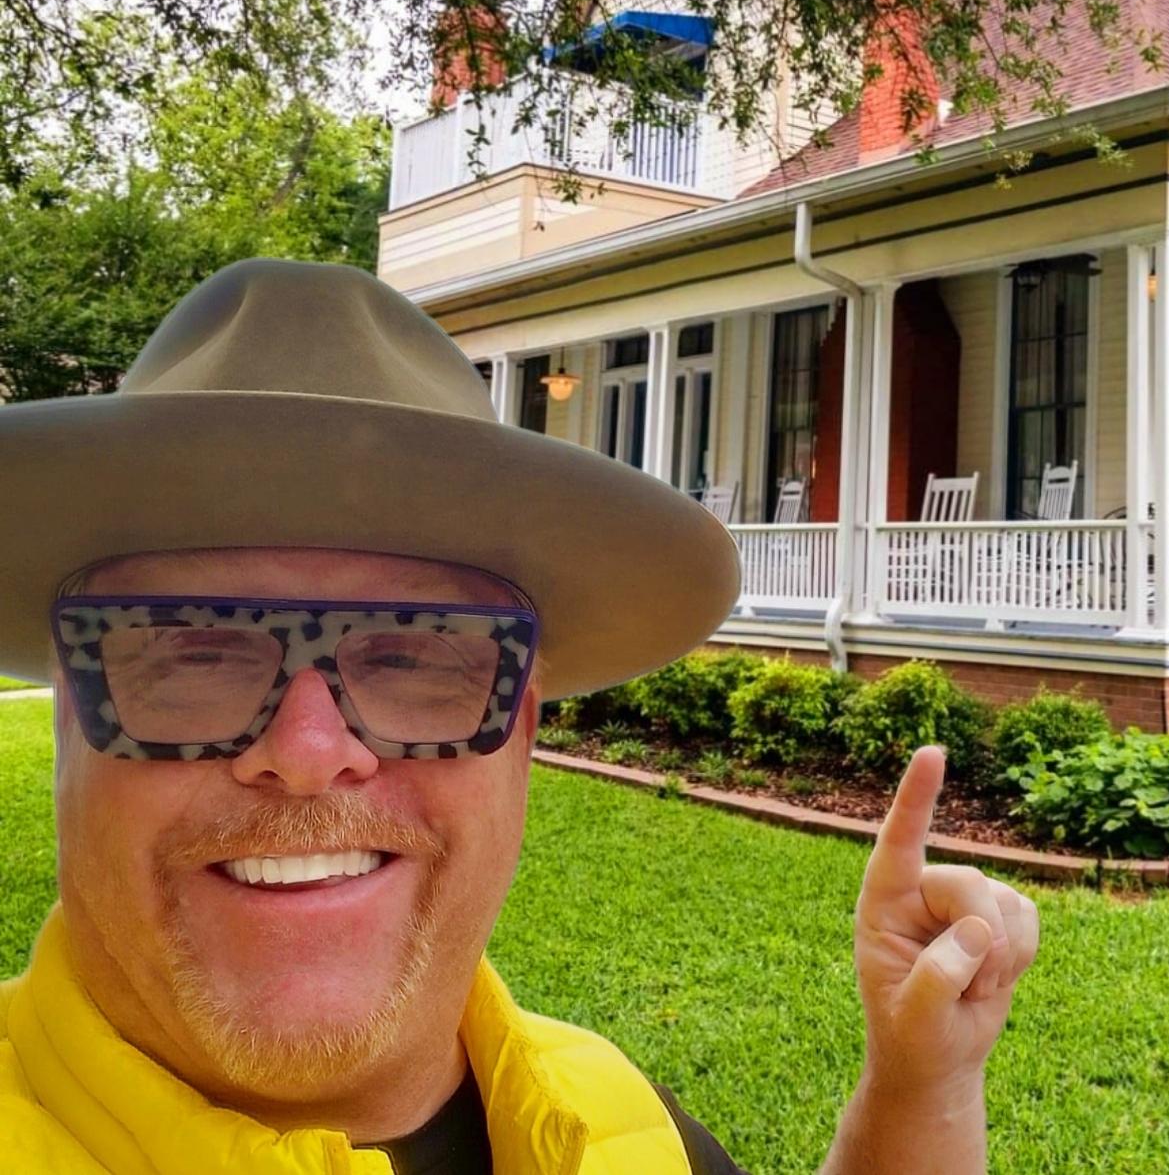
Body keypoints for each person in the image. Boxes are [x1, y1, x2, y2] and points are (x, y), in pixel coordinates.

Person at [0, 259, 1039, 1172]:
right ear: (65, 711)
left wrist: (920, 1090)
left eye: (411, 655)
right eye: (192, 651)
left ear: (523, 725)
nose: (310, 753)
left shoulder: (629, 1129)